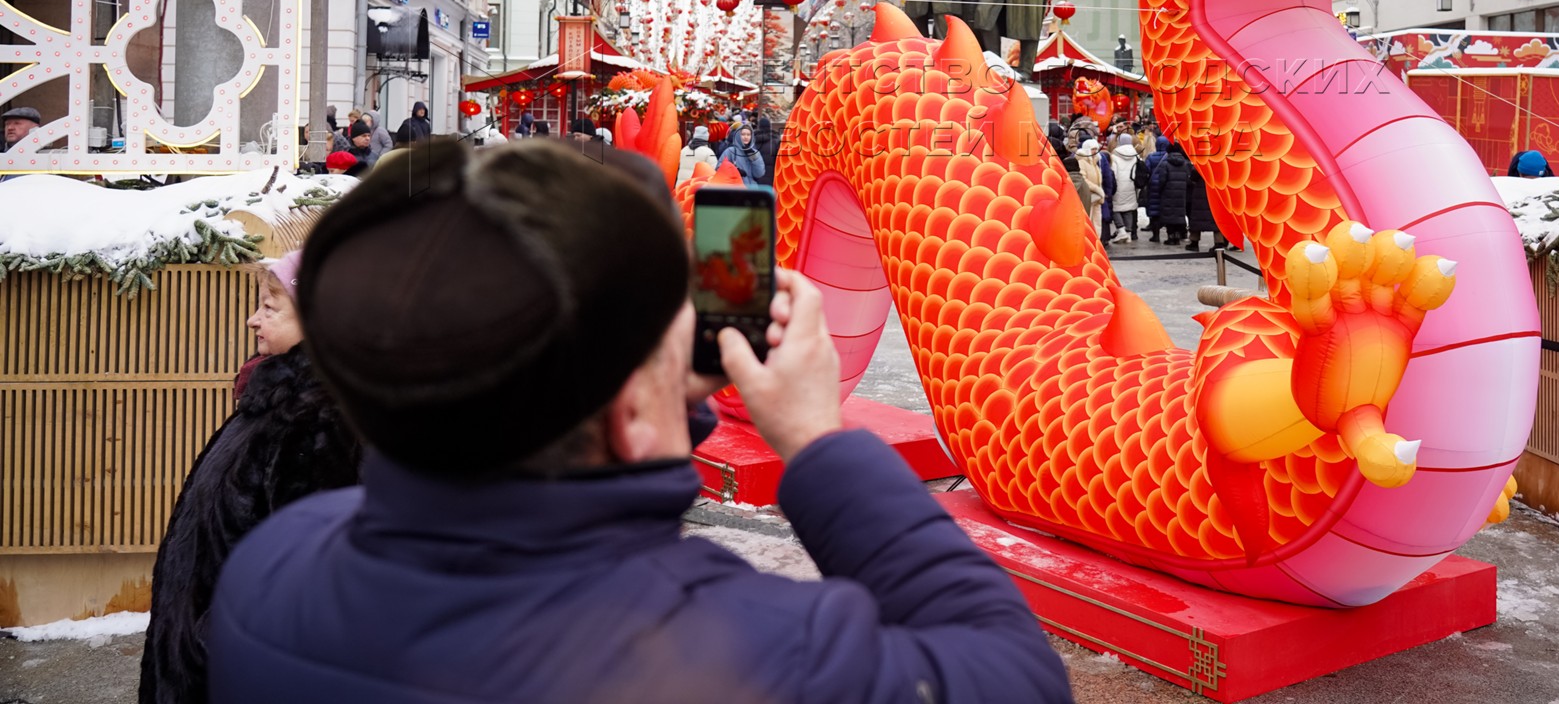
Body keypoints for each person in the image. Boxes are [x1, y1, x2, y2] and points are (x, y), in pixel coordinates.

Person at [206, 140, 1072, 704]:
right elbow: (1017, 676)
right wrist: (817, 440)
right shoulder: (760, 653)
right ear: (626, 411)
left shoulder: (278, 563)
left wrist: (656, 387)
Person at [139, 252, 360, 704]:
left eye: (269, 307)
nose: (251, 320)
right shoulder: (274, 399)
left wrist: (213, 646)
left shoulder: (319, 417)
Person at [1151, 141, 1194, 246]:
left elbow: (1162, 179)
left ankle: (1170, 237)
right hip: (1181, 193)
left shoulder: (1165, 164)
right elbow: (1189, 180)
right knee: (1179, 215)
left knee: (1168, 215)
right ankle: (1178, 236)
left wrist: (1161, 189)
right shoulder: (1185, 163)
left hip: (1168, 193)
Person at [1110, 133, 1141, 242]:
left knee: (1115, 208)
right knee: (1129, 208)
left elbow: (1114, 173)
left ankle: (1121, 230)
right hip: (1131, 185)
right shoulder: (1136, 155)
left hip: (1119, 186)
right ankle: (1128, 233)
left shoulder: (1114, 155)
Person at [1142, 136, 1169, 243]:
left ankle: (1156, 235)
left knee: (1154, 211)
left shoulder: (1151, 157)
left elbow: (1146, 170)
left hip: (1153, 187)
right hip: (1165, 187)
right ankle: (1170, 235)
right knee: (1165, 210)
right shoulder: (1168, 157)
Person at [1076, 139, 1105, 235]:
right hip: (1088, 197)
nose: (1095, 151)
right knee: (1088, 222)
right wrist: (1097, 189)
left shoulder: (1094, 161)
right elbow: (1083, 179)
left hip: (1096, 197)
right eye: (1093, 149)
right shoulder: (1082, 162)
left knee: (1096, 223)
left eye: (1096, 149)